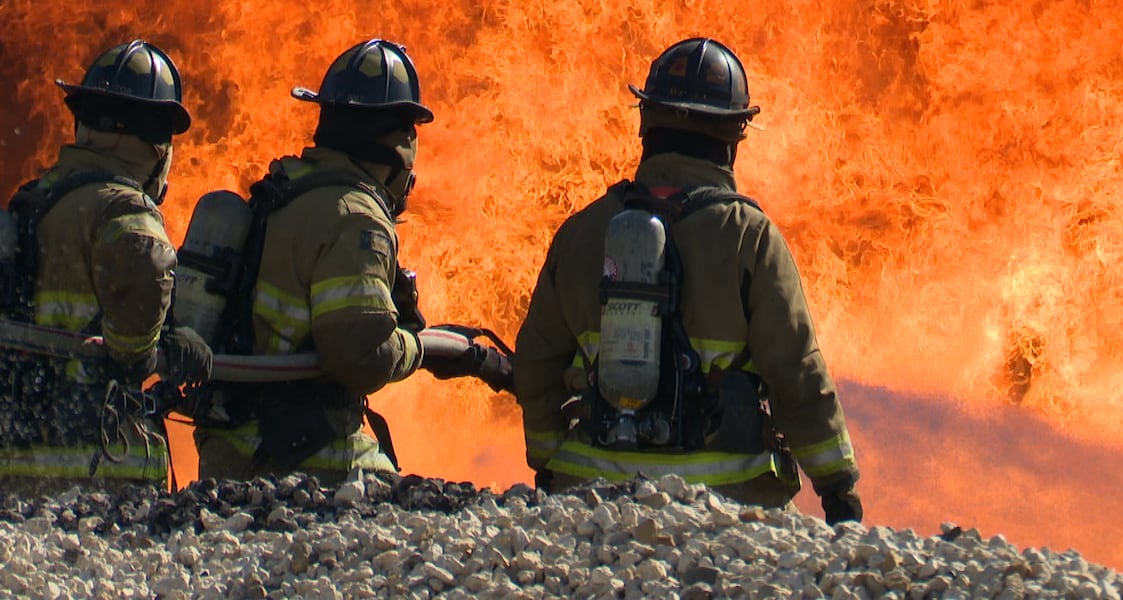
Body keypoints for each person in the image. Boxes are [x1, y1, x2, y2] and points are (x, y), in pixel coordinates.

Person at [513, 38, 863, 523]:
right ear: (733, 135)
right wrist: (838, 487)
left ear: (646, 122)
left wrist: (550, 463)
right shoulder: (750, 238)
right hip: (727, 506)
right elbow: (796, 374)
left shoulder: (582, 232)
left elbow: (534, 365)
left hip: (589, 502)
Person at [189, 39, 435, 484]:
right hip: (302, 459)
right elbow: (360, 357)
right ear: (402, 143)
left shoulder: (287, 189)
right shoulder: (357, 219)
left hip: (231, 444)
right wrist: (418, 346)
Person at [0, 40, 211, 494]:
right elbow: (146, 269)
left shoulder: (35, 201)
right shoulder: (122, 209)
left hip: (19, 460)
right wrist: (155, 352)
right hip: (100, 468)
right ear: (155, 144)